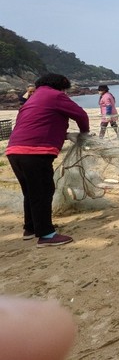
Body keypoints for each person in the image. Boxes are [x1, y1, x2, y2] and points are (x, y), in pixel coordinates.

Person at [5, 73, 90, 247]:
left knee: (30, 191)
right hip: (35, 153)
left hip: (14, 151)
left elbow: (36, 124)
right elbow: (81, 115)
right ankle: (46, 235)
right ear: (61, 86)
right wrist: (84, 134)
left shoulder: (33, 99)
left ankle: (30, 228)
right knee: (43, 191)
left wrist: (64, 135)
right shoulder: (55, 95)